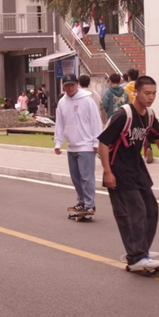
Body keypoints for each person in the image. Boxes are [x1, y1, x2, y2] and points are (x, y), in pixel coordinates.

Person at [98, 75, 159, 271]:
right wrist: (107, 172)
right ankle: (136, 256)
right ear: (135, 92)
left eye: (154, 93)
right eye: (147, 93)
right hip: (119, 169)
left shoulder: (149, 115)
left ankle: (141, 249)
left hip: (137, 167)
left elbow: (158, 135)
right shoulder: (124, 115)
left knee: (151, 208)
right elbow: (103, 142)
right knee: (134, 212)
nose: (151, 97)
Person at [55, 74, 103, 216]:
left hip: (86, 145)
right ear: (63, 87)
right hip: (72, 145)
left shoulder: (87, 100)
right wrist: (58, 142)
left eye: (72, 85)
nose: (69, 88)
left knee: (87, 177)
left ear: (77, 85)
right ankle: (82, 202)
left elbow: (96, 121)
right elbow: (59, 124)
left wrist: (96, 141)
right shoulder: (62, 102)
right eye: (66, 85)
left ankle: (90, 205)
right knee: (75, 177)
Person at [123, 68, 152, 163]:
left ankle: (132, 154)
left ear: (129, 77)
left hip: (130, 113)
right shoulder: (141, 87)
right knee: (144, 132)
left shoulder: (125, 88)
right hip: (143, 112)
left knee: (131, 134)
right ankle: (148, 147)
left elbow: (124, 101)